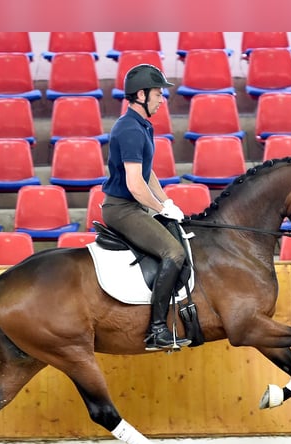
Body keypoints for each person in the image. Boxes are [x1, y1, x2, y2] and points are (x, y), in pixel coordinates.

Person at [101, 63, 192, 351]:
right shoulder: (128, 129)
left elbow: (147, 173)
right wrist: (159, 208)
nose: (161, 99)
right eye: (158, 94)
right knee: (174, 252)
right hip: (122, 208)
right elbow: (134, 185)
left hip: (136, 205)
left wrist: (165, 202)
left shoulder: (143, 125)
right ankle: (156, 330)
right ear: (141, 95)